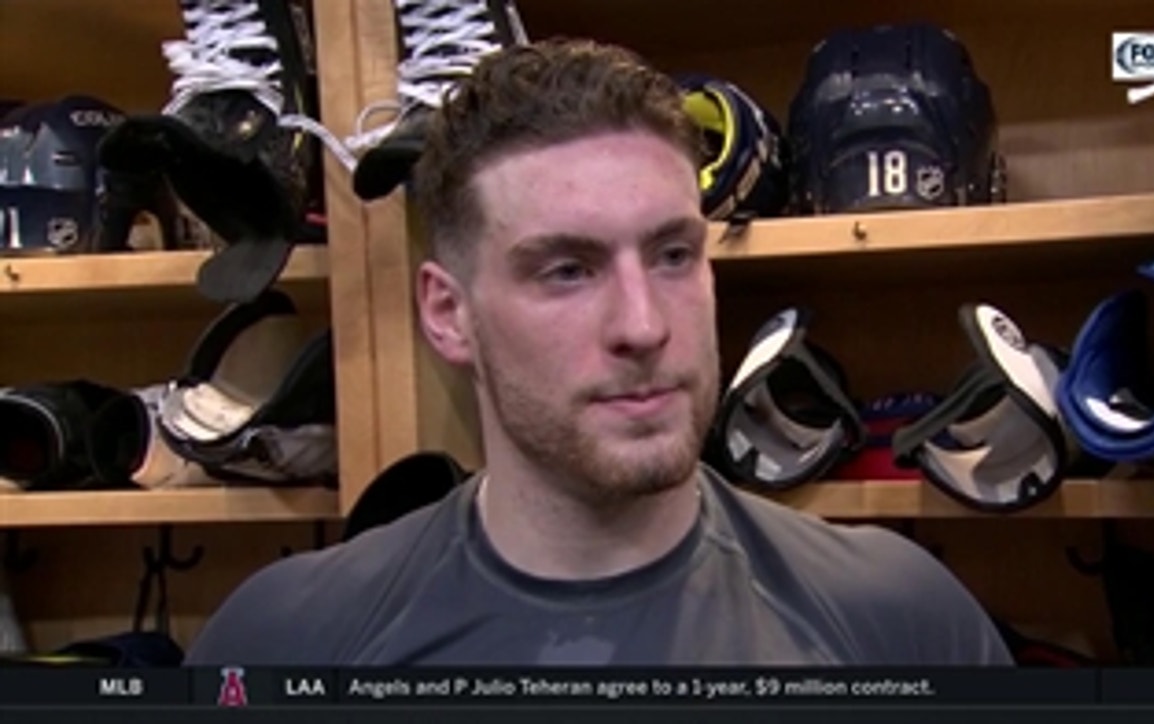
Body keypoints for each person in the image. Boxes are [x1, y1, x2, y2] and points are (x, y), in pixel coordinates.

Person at [183, 38, 1013, 666]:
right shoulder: (289, 644)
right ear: (448, 314)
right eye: (568, 270)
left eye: (673, 255)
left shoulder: (900, 625)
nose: (644, 326)